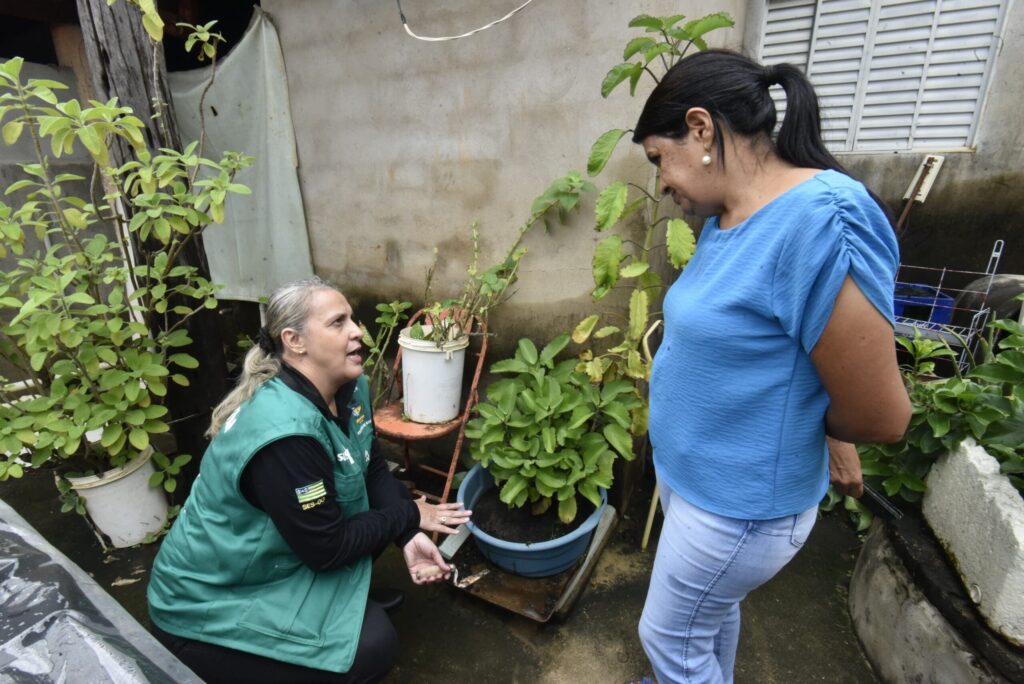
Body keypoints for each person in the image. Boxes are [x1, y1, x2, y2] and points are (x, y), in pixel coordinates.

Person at [633, 50, 912, 684]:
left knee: (666, 636)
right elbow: (792, 351)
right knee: (706, 617)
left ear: (701, 129)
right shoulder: (726, 216)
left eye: (658, 159)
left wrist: (838, 437)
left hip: (740, 505)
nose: (662, 183)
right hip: (697, 482)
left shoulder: (821, 221)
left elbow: (881, 414)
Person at [147, 277, 471, 684]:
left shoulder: (351, 387)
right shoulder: (284, 435)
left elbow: (368, 464)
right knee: (373, 647)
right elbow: (328, 548)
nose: (358, 331)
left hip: (284, 555)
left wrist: (407, 534)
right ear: (294, 340)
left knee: (368, 514)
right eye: (338, 323)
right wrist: (408, 514)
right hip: (209, 602)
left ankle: (340, 610)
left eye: (352, 319)